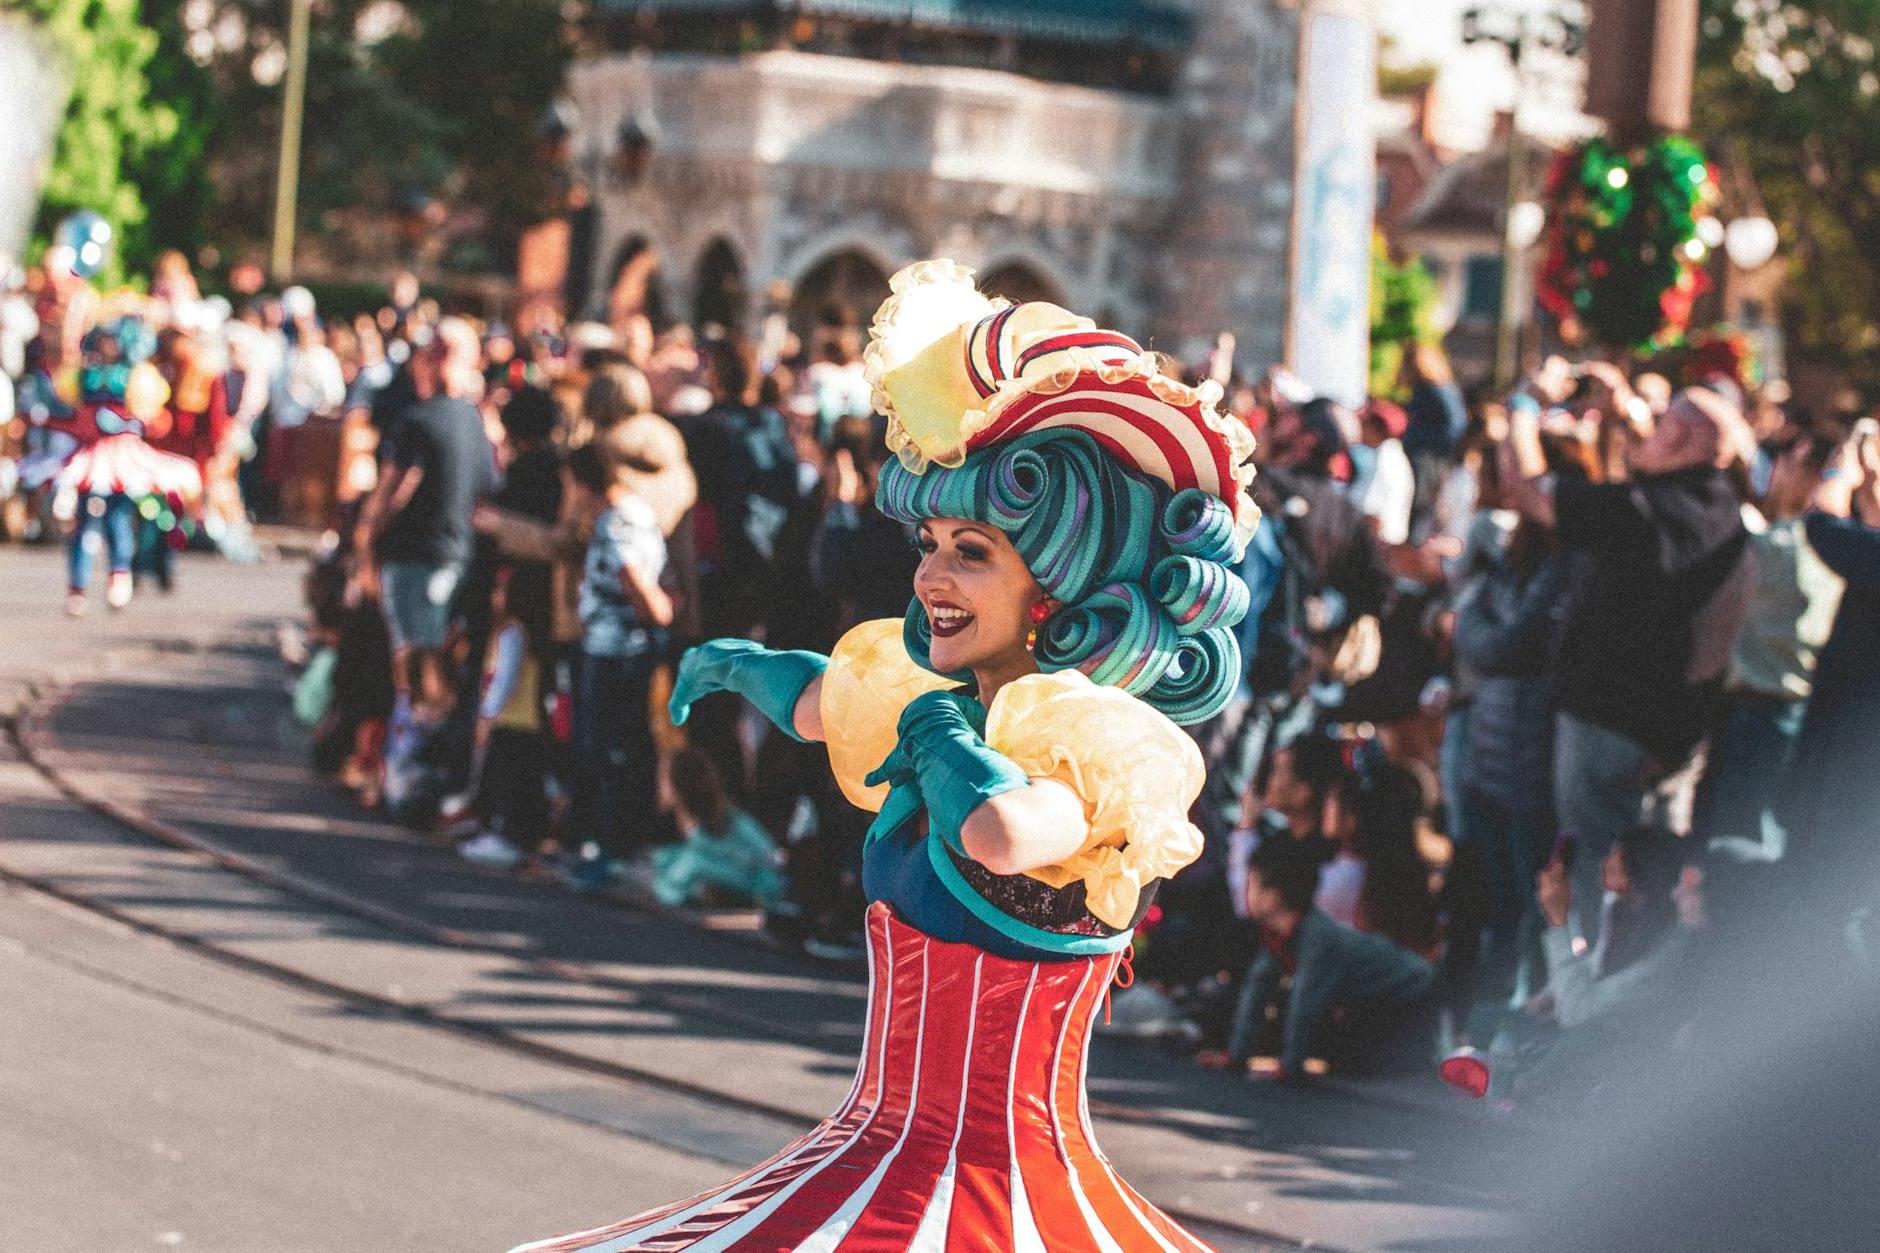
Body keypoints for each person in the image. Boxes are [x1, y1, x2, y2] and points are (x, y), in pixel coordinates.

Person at [513, 259, 1255, 1251]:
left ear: (1059, 583)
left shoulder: (1099, 738)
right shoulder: (935, 698)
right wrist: (736, 660)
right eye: (931, 538)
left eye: (971, 550)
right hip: (865, 1158)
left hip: (1007, 1199)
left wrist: (944, 739)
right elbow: (825, 703)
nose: (930, 573)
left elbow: (1005, 828)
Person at [1501, 368, 1754, 943]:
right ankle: (1627, 984)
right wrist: (1619, 414)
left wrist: (1523, 404)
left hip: (1607, 729)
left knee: (1591, 869)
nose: (1650, 428)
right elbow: (1638, 473)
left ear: (1688, 443)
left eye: (1663, 423)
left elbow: (1526, 488)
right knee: (1650, 872)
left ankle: (1584, 987)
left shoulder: (1651, 512)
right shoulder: (1719, 511)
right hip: (1675, 737)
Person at [563, 415, 694, 889]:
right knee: (626, 746)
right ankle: (619, 845)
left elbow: (634, 578)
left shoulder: (616, 522)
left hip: (615, 651)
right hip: (624, 649)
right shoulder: (636, 512)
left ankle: (611, 848)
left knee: (608, 749)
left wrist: (657, 610)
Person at [356, 319, 495, 732]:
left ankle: (412, 753)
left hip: (414, 558)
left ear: (429, 361)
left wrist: (364, 543)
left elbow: (390, 494)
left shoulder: (418, 421)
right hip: (457, 556)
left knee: (413, 665)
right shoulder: (475, 422)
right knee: (436, 658)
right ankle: (426, 749)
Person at [1208, 833, 1435, 1081]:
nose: (1246, 892)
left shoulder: (1318, 937)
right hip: (1372, 997)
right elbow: (1258, 987)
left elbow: (1305, 1005)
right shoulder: (1279, 934)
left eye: (1251, 884)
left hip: (1411, 991)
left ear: (1273, 897)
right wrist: (1237, 1056)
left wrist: (1291, 1066)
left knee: (1363, 1061)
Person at [653, 745, 785, 908]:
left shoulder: (727, 820)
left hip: (761, 886)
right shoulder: (687, 821)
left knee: (687, 863)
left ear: (677, 783)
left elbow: (768, 859)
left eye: (663, 778)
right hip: (741, 883)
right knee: (664, 858)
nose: (660, 785)